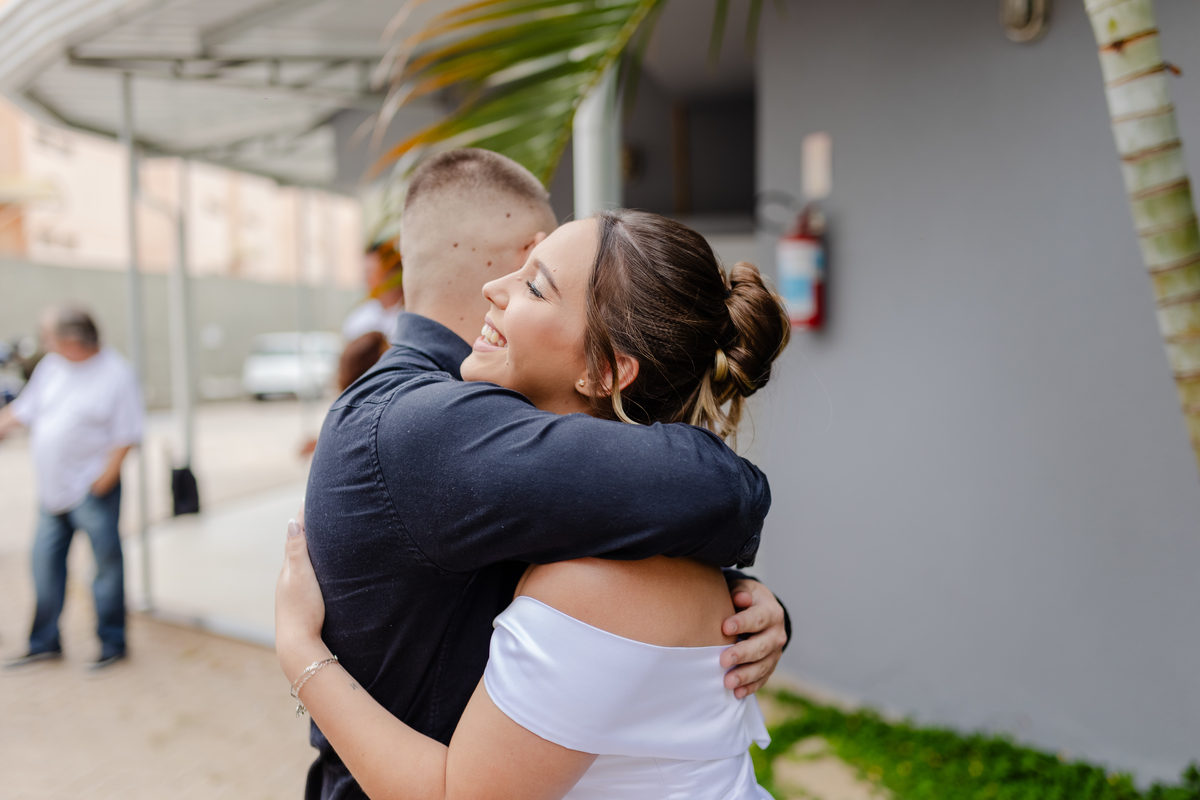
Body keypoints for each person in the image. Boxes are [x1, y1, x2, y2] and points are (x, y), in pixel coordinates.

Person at [294, 148, 791, 800]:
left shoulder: (585, 539)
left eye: (536, 283)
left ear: (606, 370)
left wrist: (300, 653)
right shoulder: (429, 424)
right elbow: (704, 494)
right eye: (530, 271)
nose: (496, 291)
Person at [0, 306, 143, 670]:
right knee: (44, 567)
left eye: (49, 337)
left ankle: (112, 643)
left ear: (73, 340)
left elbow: (127, 434)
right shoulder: (51, 366)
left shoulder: (116, 373)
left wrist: (102, 482)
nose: (44, 343)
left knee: (106, 569)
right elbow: (23, 411)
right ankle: (43, 643)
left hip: (92, 493)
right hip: (52, 494)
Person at [342, 240, 404, 342]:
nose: (367, 279)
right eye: (366, 273)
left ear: (393, 271)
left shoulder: (408, 313)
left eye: (371, 271)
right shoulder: (360, 317)